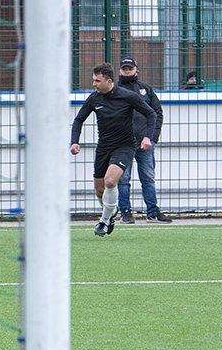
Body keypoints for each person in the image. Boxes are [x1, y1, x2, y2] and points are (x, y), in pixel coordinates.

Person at [70, 62, 157, 237]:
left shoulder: (128, 96)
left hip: (125, 146)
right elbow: (79, 120)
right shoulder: (94, 99)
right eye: (93, 80)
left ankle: (104, 220)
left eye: (97, 80)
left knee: (111, 181)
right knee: (100, 190)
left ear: (109, 81)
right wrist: (74, 142)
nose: (94, 84)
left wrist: (148, 137)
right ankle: (110, 212)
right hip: (103, 148)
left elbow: (151, 113)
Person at [116, 58, 171, 224]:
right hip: (122, 143)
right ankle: (125, 212)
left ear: (136, 70)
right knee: (123, 179)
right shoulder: (114, 90)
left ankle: (152, 212)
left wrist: (152, 137)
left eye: (130, 68)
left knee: (148, 177)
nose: (127, 71)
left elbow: (157, 113)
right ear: (119, 71)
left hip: (145, 143)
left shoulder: (146, 89)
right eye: (124, 69)